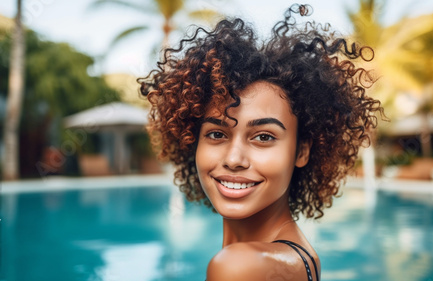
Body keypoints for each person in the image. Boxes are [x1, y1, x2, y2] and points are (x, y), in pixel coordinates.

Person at [139, 4, 384, 280]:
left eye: (264, 137)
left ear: (301, 150)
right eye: (217, 134)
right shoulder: (302, 257)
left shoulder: (238, 266)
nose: (233, 159)